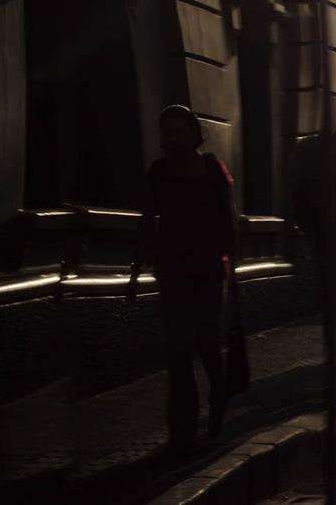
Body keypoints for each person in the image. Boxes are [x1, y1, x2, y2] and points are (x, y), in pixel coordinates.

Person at [130, 105, 236, 456]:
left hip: (207, 268)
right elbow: (147, 219)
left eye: (180, 131)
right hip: (172, 269)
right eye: (168, 132)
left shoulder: (211, 169)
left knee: (206, 340)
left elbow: (226, 221)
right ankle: (182, 428)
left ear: (194, 134)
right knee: (177, 351)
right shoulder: (158, 172)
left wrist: (231, 267)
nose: (173, 138)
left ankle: (218, 391)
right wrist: (134, 273)